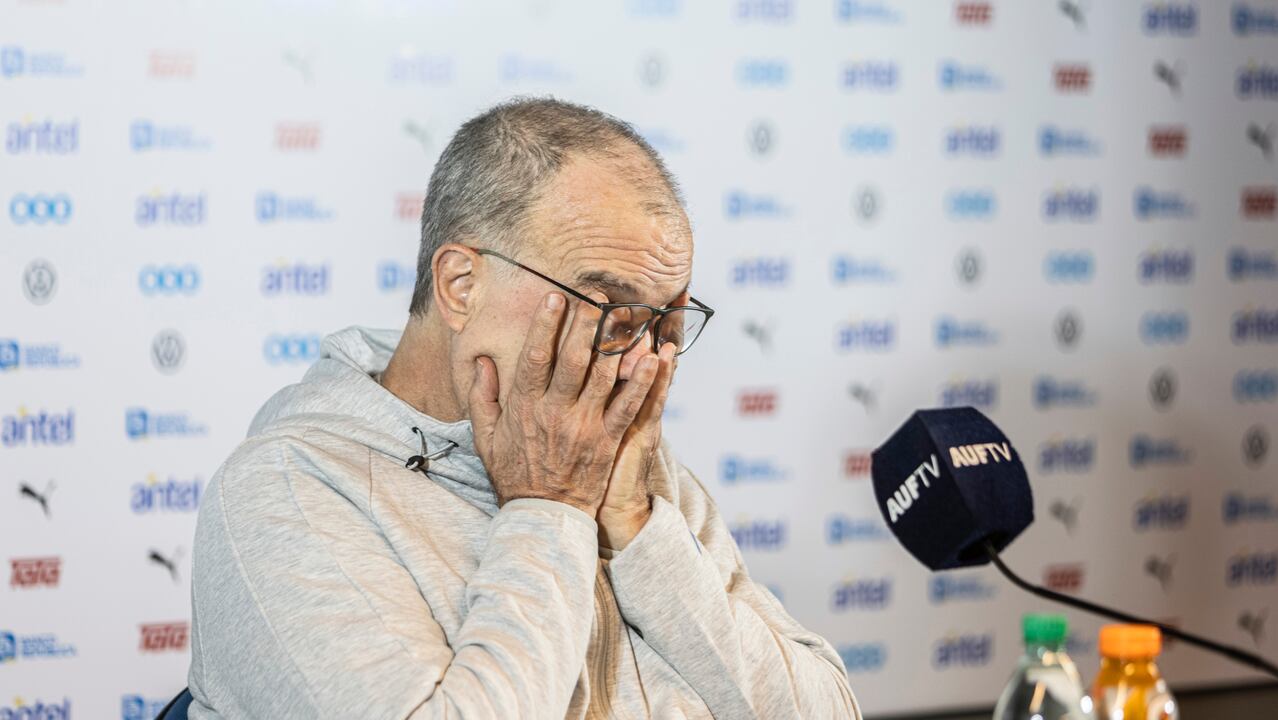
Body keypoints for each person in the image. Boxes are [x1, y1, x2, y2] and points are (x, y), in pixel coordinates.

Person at [188, 97, 862, 719]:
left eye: (664, 323)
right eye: (613, 311)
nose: (643, 364)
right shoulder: (284, 492)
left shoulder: (626, 462)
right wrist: (551, 510)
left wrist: (637, 529)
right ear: (460, 285)